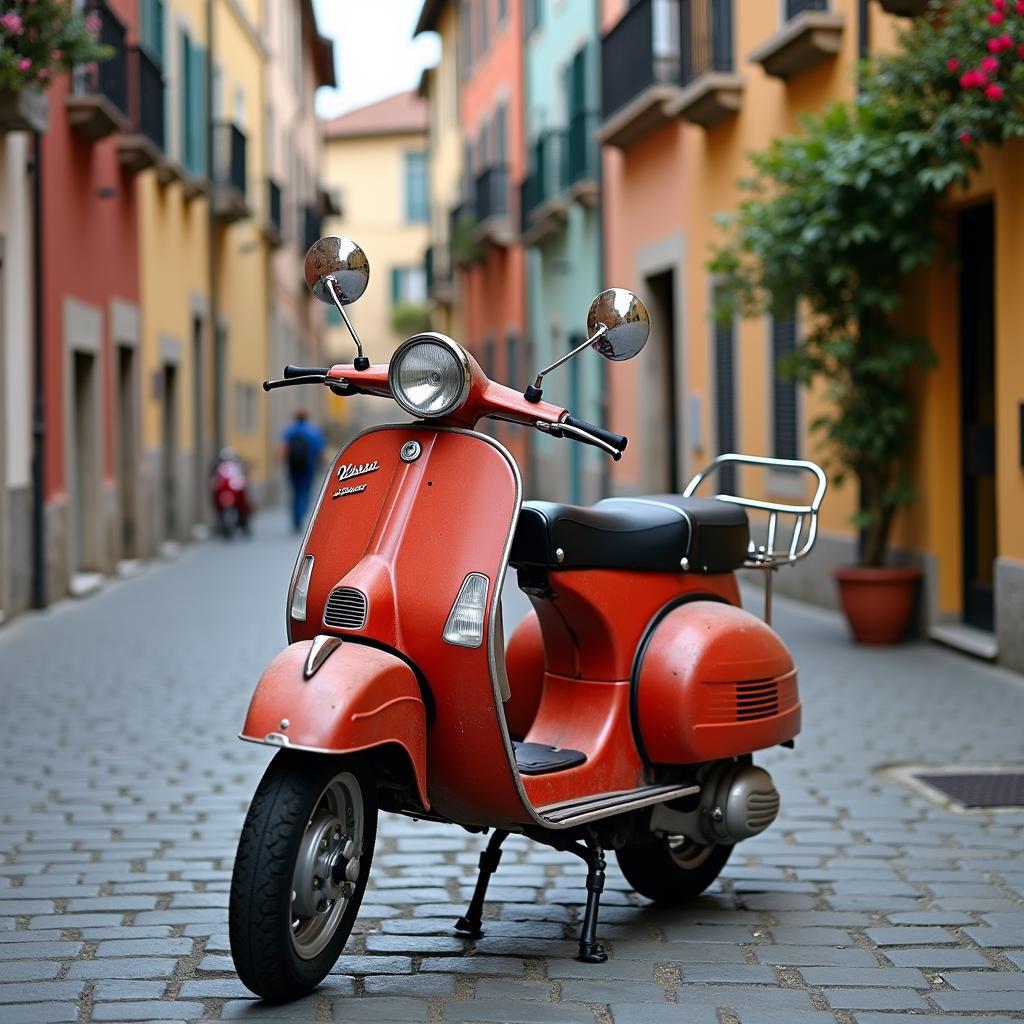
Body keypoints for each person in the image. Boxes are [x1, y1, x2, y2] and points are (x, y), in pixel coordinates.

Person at [280, 410, 325, 532]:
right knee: (305, 491)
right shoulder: (313, 431)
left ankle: (296, 518)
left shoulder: (290, 430)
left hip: (293, 466)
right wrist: (321, 464)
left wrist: (281, 462)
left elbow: (283, 448)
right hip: (308, 466)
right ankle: (301, 514)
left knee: (295, 491)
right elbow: (320, 450)